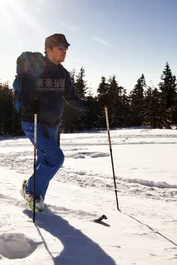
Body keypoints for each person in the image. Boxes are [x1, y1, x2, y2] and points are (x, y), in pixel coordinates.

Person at [18, 33, 109, 212]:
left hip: (53, 124)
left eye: (66, 48)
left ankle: (37, 199)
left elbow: (73, 99)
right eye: (60, 47)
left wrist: (95, 105)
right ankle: (29, 189)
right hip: (33, 122)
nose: (64, 51)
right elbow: (22, 94)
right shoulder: (35, 68)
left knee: (46, 159)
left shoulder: (63, 74)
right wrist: (30, 105)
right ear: (48, 49)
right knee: (56, 158)